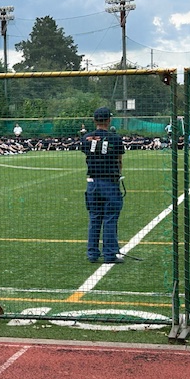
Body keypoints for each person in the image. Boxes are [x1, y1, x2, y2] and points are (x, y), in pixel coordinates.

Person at [80, 107, 125, 264]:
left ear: (94, 120)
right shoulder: (115, 138)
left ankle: (92, 253)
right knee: (110, 218)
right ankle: (110, 253)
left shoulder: (86, 138)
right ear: (109, 120)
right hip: (109, 182)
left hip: (92, 182)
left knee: (94, 218)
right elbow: (119, 160)